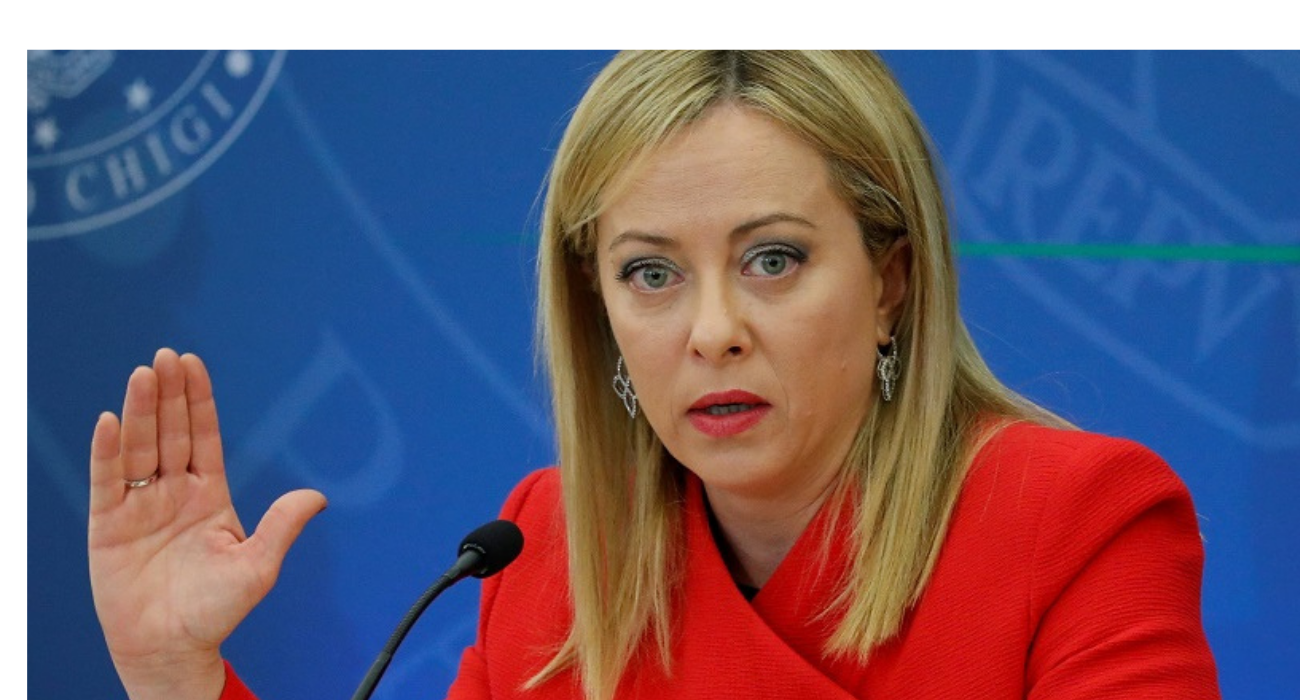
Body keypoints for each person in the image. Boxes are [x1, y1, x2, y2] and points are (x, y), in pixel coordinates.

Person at [88, 51, 1220, 700]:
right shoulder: (551, 545)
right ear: (599, 309)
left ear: (891, 281)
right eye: (651, 274)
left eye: (773, 260)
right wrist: (177, 675)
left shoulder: (1076, 520)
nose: (713, 330)